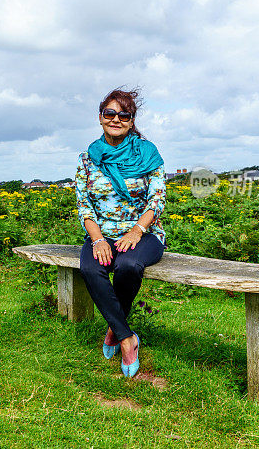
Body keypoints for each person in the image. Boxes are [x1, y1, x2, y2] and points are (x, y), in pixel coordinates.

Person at [75, 88, 166, 378]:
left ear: (131, 121)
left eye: (123, 115)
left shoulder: (148, 154)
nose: (116, 119)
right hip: (101, 234)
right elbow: (84, 206)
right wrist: (98, 239)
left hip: (144, 233)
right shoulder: (88, 158)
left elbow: (157, 200)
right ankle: (127, 337)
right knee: (91, 268)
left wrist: (137, 232)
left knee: (128, 264)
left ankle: (115, 329)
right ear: (100, 117)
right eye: (109, 113)